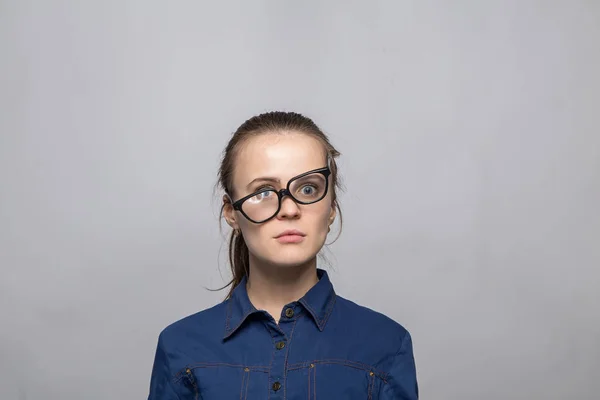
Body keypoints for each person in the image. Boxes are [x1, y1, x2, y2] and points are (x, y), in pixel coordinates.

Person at [147, 111, 418, 399]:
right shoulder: (180, 347)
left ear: (332, 208)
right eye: (263, 192)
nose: (290, 210)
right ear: (231, 213)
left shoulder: (386, 343)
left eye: (309, 188)